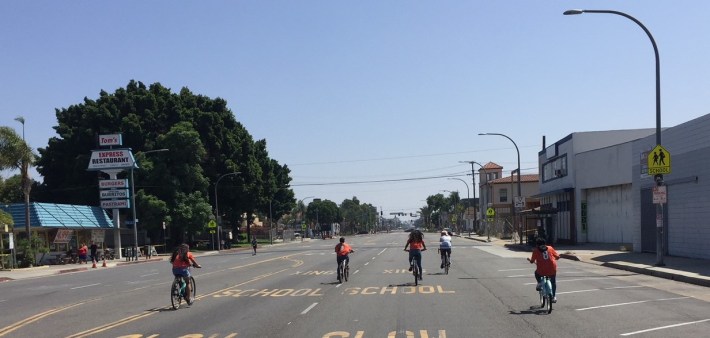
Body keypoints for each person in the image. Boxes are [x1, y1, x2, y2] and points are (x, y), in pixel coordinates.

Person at [527, 237, 560, 303]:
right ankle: (554, 296)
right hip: (552, 269)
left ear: (537, 245)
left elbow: (532, 261)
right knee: (553, 282)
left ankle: (539, 283)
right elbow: (557, 257)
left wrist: (530, 260)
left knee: (536, 273)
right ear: (545, 243)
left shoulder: (536, 250)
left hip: (541, 271)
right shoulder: (550, 248)